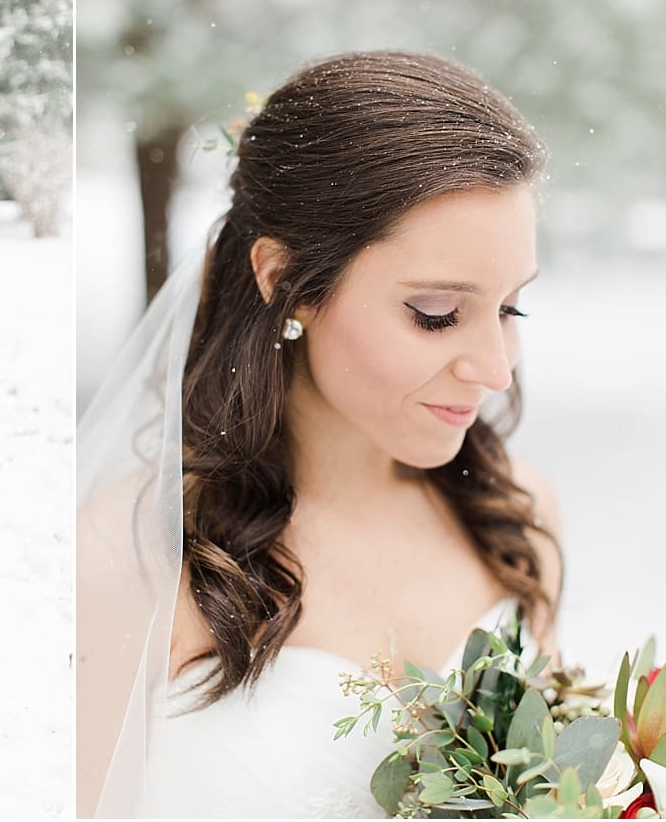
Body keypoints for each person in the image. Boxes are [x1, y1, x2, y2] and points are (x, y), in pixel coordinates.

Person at [76, 51, 564, 817]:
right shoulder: (129, 554)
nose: (496, 369)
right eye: (436, 313)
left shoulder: (519, 517)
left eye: (511, 307)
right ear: (284, 279)